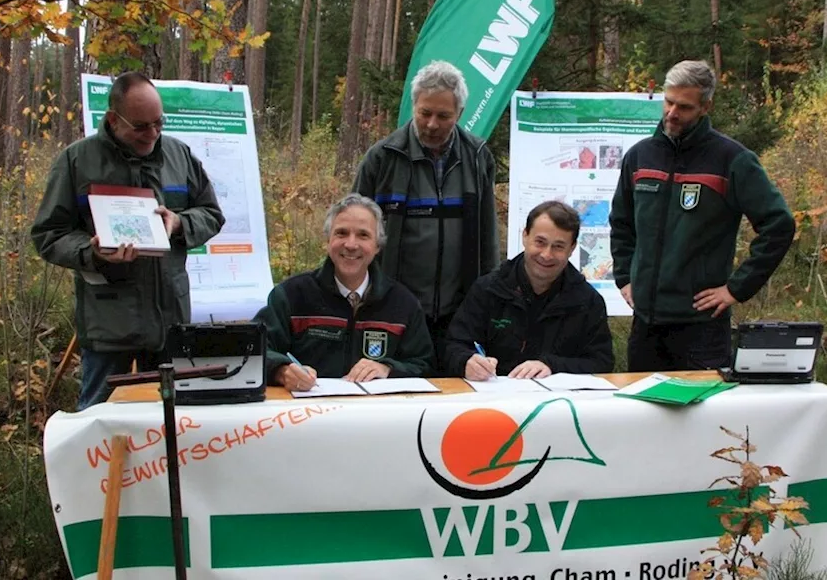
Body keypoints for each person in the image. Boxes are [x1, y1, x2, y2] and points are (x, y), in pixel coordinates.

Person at [31, 71, 225, 410]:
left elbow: (211, 213)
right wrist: (91, 253)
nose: (152, 134)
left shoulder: (179, 156)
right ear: (112, 119)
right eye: (140, 126)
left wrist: (179, 223)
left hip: (170, 320)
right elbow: (48, 234)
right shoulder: (76, 161)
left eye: (159, 123)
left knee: (172, 421)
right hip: (109, 325)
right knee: (99, 422)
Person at [609, 60, 795, 371]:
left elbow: (779, 225)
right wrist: (625, 278)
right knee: (642, 416)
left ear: (705, 106)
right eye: (668, 102)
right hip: (646, 325)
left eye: (684, 107)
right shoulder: (640, 157)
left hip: (702, 328)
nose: (672, 113)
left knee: (701, 419)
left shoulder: (732, 160)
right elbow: (622, 222)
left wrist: (737, 288)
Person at [353, 60, 498, 375]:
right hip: (392, 310)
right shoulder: (382, 159)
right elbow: (354, 234)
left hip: (457, 315)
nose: (432, 124)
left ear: (459, 114)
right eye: (425, 113)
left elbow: (488, 239)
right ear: (413, 106)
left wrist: (486, 301)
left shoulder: (477, 158)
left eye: (443, 116)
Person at [255, 194, 432, 391]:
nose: (351, 244)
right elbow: (254, 349)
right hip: (306, 416)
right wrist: (282, 371)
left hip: (379, 417)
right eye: (341, 233)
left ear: (377, 246)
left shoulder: (403, 303)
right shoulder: (291, 295)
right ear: (327, 240)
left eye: (363, 235)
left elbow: (424, 364)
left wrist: (388, 369)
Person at [445, 201, 613, 380]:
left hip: (559, 403)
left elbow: (601, 362)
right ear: (525, 236)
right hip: (493, 400)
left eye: (558, 246)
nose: (546, 255)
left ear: (572, 248)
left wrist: (552, 366)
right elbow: (453, 346)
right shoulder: (488, 289)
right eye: (540, 242)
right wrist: (466, 362)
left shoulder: (587, 301)